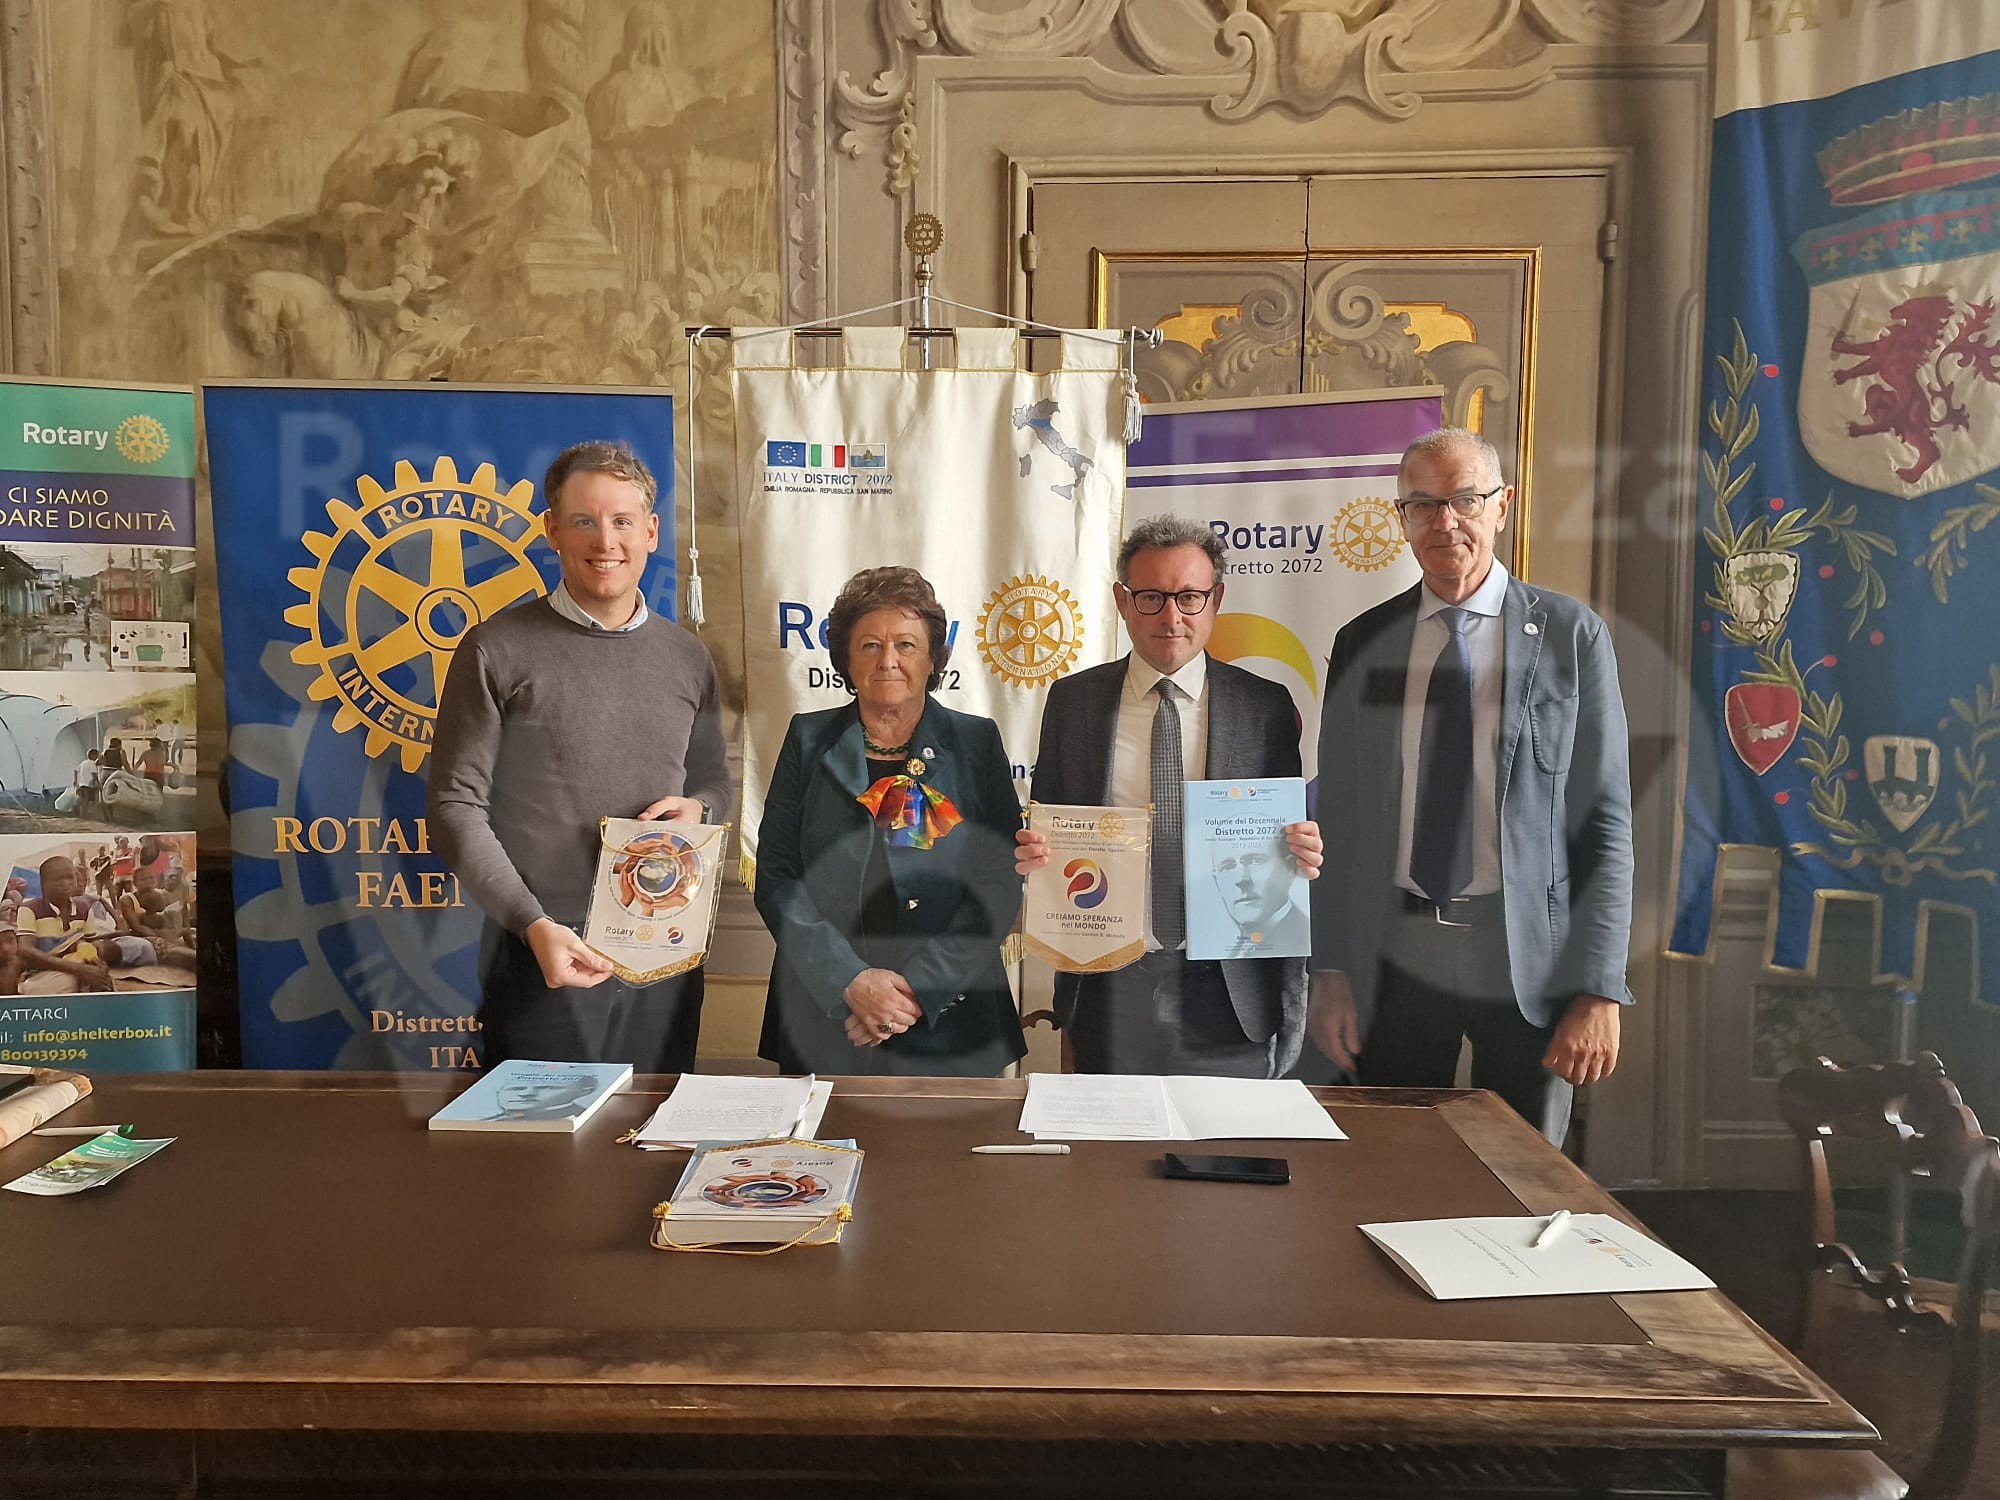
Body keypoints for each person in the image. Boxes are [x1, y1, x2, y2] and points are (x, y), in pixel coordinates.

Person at [1307, 427, 1633, 1144]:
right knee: (1390, 1161)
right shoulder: (1365, 642)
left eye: (1464, 500)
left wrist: (1599, 988)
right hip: (1392, 957)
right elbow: (1341, 819)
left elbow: (1605, 823)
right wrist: (1329, 973)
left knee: (1521, 1177)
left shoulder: (1571, 636)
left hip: (1527, 961)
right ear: (1402, 518)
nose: (1444, 522)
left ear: (1502, 505)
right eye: (1422, 505)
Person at [430, 441, 729, 1072]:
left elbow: (713, 781)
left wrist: (699, 808)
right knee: (539, 1137)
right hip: (540, 955)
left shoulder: (688, 658)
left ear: (651, 531)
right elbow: (455, 807)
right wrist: (531, 923)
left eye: (623, 521)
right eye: (585, 521)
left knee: (654, 1129)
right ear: (553, 530)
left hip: (665, 954)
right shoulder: (494, 649)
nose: (606, 541)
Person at [1017, 516, 1324, 1077]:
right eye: (1152, 597)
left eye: (1189, 597)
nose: (1171, 616)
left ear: (1216, 600)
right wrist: (1036, 854)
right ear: (1123, 601)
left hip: (1227, 987)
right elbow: (1051, 828)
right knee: (1109, 1136)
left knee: (1223, 1135)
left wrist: (1301, 848)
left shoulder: (1266, 707)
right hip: (1109, 982)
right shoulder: (1073, 702)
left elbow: (1282, 839)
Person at [755, 566, 1025, 1076]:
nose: (888, 660)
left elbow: (999, 879)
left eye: (906, 645)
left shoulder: (976, 742)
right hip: (826, 1011)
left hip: (952, 1014)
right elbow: (777, 877)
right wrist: (850, 982)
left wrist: (918, 991)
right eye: (870, 646)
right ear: (845, 659)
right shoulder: (807, 739)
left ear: (932, 658)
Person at [16, 855, 154, 992]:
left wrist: (99, 956)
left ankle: (94, 975)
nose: (66, 883)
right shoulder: (29, 909)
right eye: (59, 879)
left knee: (141, 946)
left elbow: (91, 941)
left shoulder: (83, 908)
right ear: (43, 884)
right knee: (61, 984)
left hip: (81, 957)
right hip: (48, 967)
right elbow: (26, 950)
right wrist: (77, 968)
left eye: (70, 877)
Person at [1206, 832, 1309, 956]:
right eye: (1227, 867)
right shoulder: (1223, 948)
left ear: (1290, 868)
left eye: (1256, 861)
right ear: (1216, 880)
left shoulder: (1307, 940)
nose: (1240, 880)